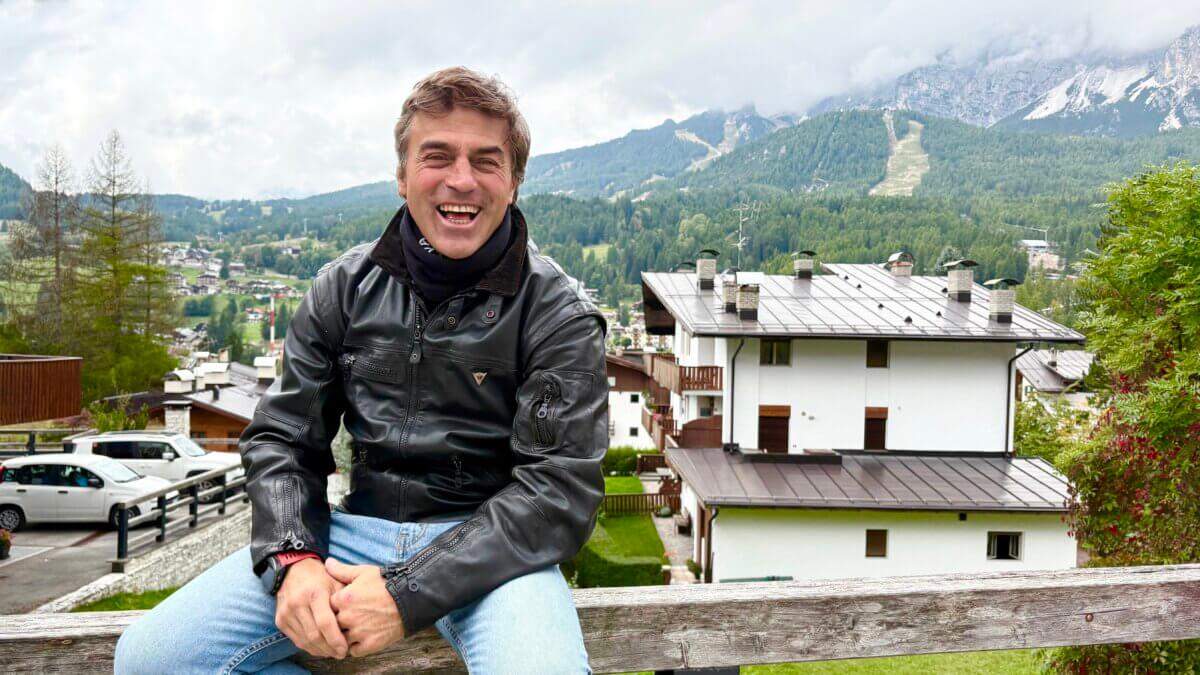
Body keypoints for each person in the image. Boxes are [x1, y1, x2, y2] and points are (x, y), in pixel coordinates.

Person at [115, 66, 607, 674]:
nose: (461, 180)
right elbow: (282, 439)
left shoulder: (557, 312)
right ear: (402, 176)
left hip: (493, 553)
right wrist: (293, 558)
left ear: (514, 181)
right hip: (353, 537)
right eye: (437, 156)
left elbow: (557, 494)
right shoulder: (343, 288)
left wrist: (405, 592)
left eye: (486, 160)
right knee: (152, 659)